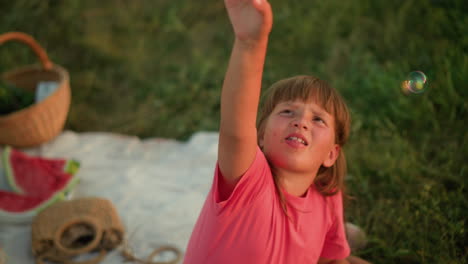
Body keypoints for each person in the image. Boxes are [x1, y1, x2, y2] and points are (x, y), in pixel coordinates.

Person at [184, 0, 370, 263]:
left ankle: (342, 236)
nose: (301, 121)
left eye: (318, 119)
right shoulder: (249, 183)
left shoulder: (327, 198)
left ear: (332, 154)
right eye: (287, 112)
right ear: (260, 136)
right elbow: (235, 127)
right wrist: (250, 43)